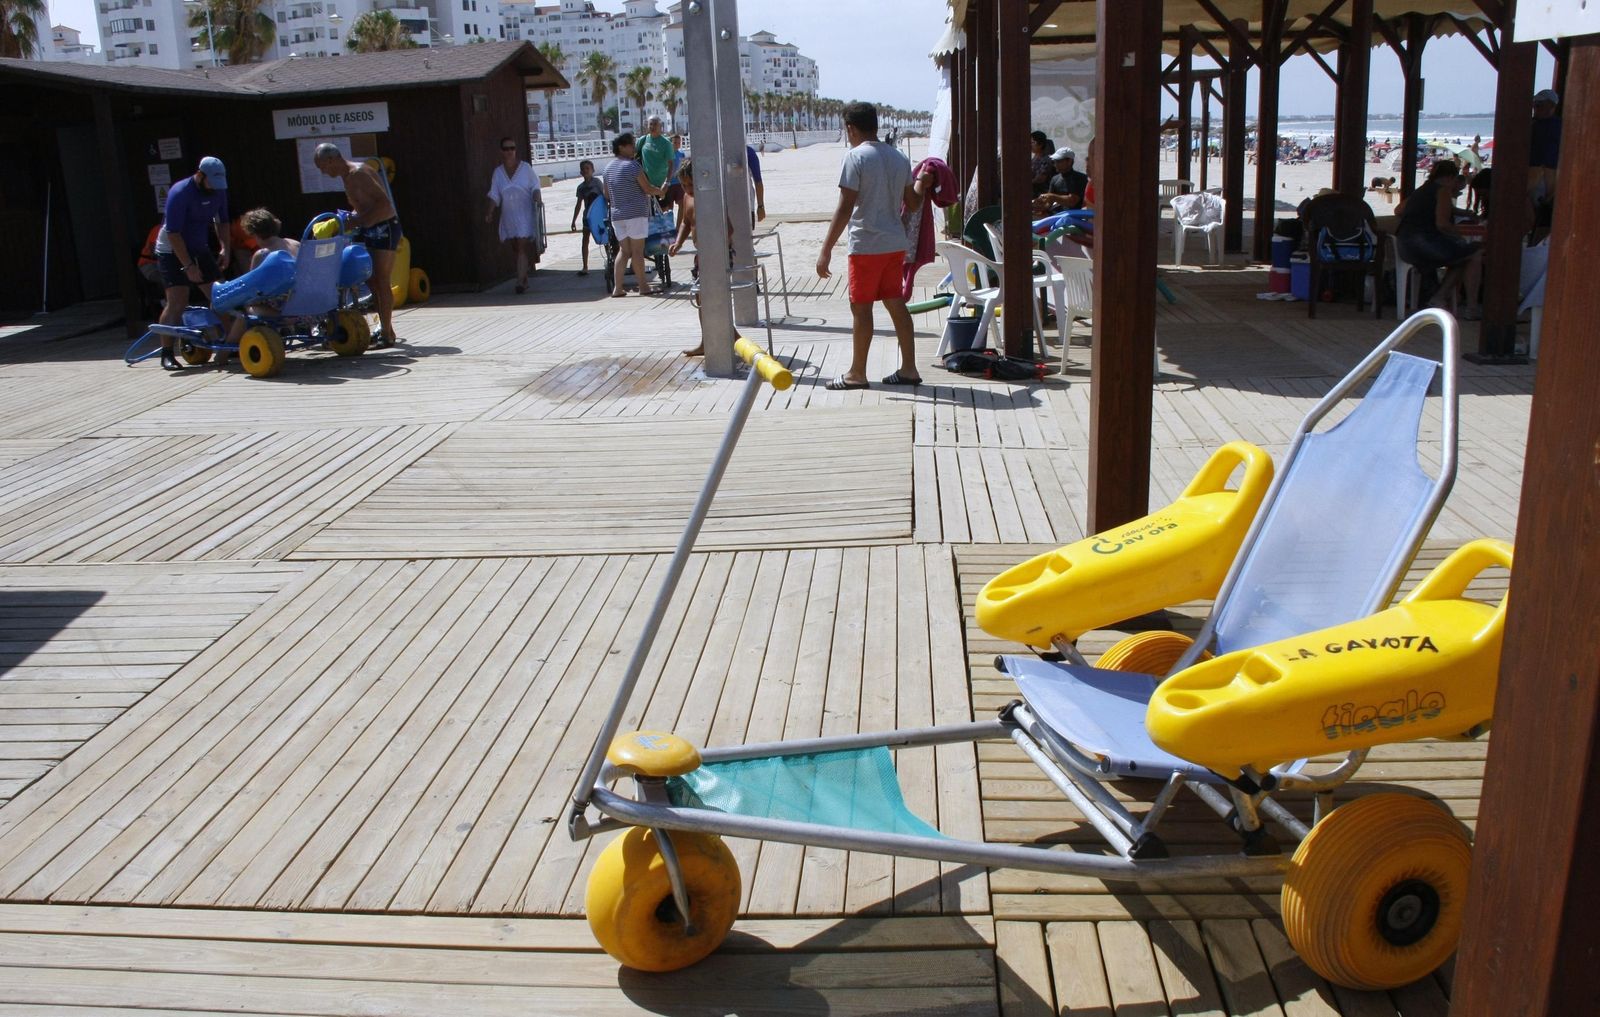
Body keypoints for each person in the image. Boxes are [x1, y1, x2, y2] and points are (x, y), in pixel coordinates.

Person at [815, 101, 926, 390]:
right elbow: (912, 203)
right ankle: (909, 369)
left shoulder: (855, 157)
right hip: (894, 243)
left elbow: (845, 206)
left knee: (861, 309)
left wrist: (826, 249)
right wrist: (922, 185)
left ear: (850, 128)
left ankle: (857, 373)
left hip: (866, 244)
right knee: (895, 303)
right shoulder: (899, 157)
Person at [313, 143, 401, 346]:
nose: (323, 172)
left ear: (331, 160)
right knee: (371, 281)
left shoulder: (358, 173)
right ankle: (387, 329)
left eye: (323, 167)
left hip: (384, 227)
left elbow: (384, 205)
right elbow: (365, 205)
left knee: (381, 280)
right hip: (370, 227)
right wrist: (349, 219)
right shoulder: (348, 176)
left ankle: (387, 334)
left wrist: (357, 221)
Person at [152, 155, 230, 371]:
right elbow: (173, 233)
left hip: (199, 247)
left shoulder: (219, 191)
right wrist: (188, 266)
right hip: (172, 250)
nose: (214, 189)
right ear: (200, 176)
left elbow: (222, 221)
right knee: (177, 300)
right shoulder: (180, 193)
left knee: (220, 295)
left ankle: (230, 342)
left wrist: (225, 248)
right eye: (211, 184)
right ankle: (167, 353)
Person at [1395, 160, 1482, 319]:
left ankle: (1441, 297)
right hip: (1424, 245)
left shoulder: (1422, 190)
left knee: (1462, 256)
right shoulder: (1443, 191)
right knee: (1474, 253)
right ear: (1451, 177)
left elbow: (1398, 210)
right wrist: (1458, 234)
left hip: (1404, 245)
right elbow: (1442, 224)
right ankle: (1468, 306)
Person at [219, 208, 302, 362]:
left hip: (285, 309)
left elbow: (251, 287)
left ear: (254, 233)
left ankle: (224, 352)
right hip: (304, 301)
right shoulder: (295, 244)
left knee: (245, 311)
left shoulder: (262, 254)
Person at [601, 132, 665, 297]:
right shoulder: (633, 166)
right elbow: (647, 188)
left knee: (624, 251)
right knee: (638, 251)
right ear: (621, 147)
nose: (634, 148)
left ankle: (618, 288)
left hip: (617, 215)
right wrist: (660, 191)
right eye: (631, 145)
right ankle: (643, 286)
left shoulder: (608, 168)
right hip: (635, 213)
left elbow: (606, 194)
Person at [485, 136, 540, 294]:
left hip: (525, 213)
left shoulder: (526, 168)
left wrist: (537, 199)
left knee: (522, 247)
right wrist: (490, 211)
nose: (510, 151)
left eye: (512, 148)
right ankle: (524, 278)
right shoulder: (498, 172)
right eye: (507, 148)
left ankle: (519, 282)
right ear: (502, 151)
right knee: (516, 247)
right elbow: (495, 194)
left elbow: (535, 186)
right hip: (509, 216)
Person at [571, 159, 603, 277]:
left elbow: (604, 197)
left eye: (588, 169)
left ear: (593, 170)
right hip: (587, 217)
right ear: (580, 172)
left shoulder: (597, 183)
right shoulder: (580, 187)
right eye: (583, 169)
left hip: (598, 216)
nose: (586, 171)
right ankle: (585, 266)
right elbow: (578, 204)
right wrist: (574, 220)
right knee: (585, 240)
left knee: (603, 238)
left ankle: (611, 261)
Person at [1032, 147, 1087, 215]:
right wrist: (1038, 206)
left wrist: (1052, 197)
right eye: (1054, 161)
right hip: (1055, 218)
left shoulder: (1081, 178)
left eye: (1058, 161)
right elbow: (1049, 204)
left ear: (1069, 161)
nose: (1055, 164)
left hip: (1074, 219)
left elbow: (1072, 201)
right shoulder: (1055, 179)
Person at [639, 116, 675, 209]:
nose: (652, 126)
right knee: (648, 214)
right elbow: (633, 155)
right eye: (650, 124)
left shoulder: (666, 143)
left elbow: (671, 164)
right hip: (646, 185)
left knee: (664, 214)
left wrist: (667, 182)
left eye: (655, 124)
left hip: (660, 185)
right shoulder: (643, 140)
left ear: (660, 126)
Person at [1029, 131, 1054, 197]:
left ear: (1040, 144)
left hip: (1041, 195)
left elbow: (1041, 178)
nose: (1030, 145)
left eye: (1032, 142)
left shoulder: (1046, 160)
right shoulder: (1033, 159)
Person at [746, 144, 766, 224]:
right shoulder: (718, 151)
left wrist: (760, 206)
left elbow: (758, 181)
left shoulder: (748, 152)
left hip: (746, 205)